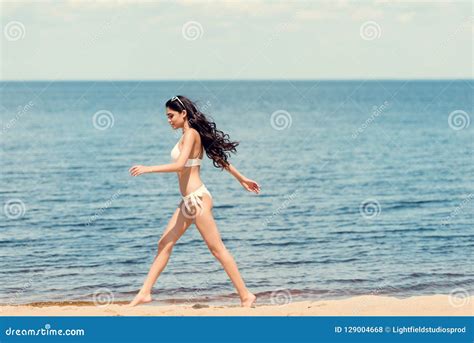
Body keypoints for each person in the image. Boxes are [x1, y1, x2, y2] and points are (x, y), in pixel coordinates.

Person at [128, 95, 260, 308]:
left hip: (197, 199)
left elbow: (180, 166)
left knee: (217, 249)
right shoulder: (187, 135)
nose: (168, 120)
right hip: (189, 201)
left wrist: (147, 168)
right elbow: (218, 157)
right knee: (164, 243)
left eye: (171, 116)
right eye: (166, 117)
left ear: (183, 113)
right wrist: (242, 178)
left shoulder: (191, 134)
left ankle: (246, 295)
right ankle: (145, 293)